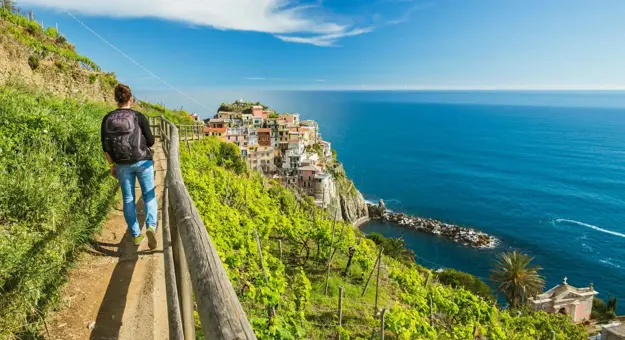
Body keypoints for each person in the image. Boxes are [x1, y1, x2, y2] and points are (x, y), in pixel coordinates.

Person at [101, 84, 158, 249]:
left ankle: (135, 235)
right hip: (143, 160)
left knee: (128, 199)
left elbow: (106, 147)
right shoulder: (138, 116)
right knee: (149, 196)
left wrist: (112, 165)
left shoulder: (107, 119)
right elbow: (151, 141)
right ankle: (151, 226)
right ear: (131, 99)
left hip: (121, 164)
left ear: (115, 99)